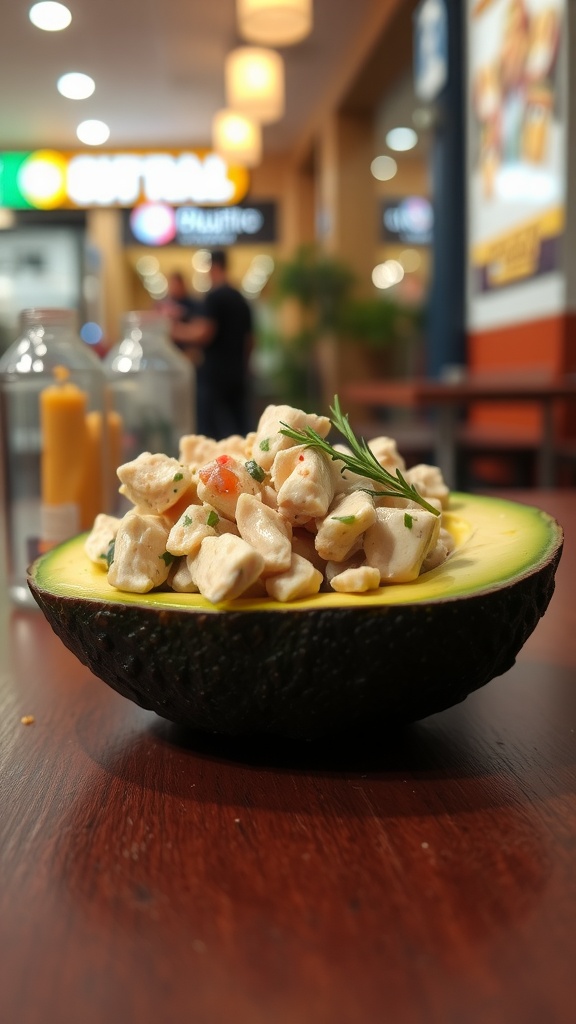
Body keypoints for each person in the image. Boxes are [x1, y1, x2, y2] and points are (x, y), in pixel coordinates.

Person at [170, 251, 253, 440]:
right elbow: (250, 340)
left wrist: (174, 330)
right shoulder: (241, 299)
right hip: (238, 372)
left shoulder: (214, 297)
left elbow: (204, 333)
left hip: (215, 375)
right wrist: (245, 365)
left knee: (213, 432)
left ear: (213, 267)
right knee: (242, 427)